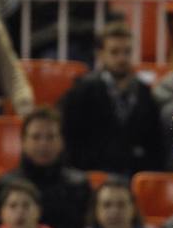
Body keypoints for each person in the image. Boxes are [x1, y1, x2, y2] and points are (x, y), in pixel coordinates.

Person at [59, 23, 165, 175]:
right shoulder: (82, 91)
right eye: (114, 52)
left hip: (133, 177)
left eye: (127, 52)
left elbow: (155, 144)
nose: (122, 58)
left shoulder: (144, 93)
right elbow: (70, 139)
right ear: (100, 54)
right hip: (93, 176)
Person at [0, 107, 91, 228]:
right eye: (36, 137)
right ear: (23, 142)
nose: (43, 144)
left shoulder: (79, 185)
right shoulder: (5, 184)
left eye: (50, 137)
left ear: (61, 142)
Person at [0, 177, 66, 228]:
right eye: (13, 206)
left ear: (38, 211)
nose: (20, 211)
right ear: (1, 213)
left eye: (26, 206)